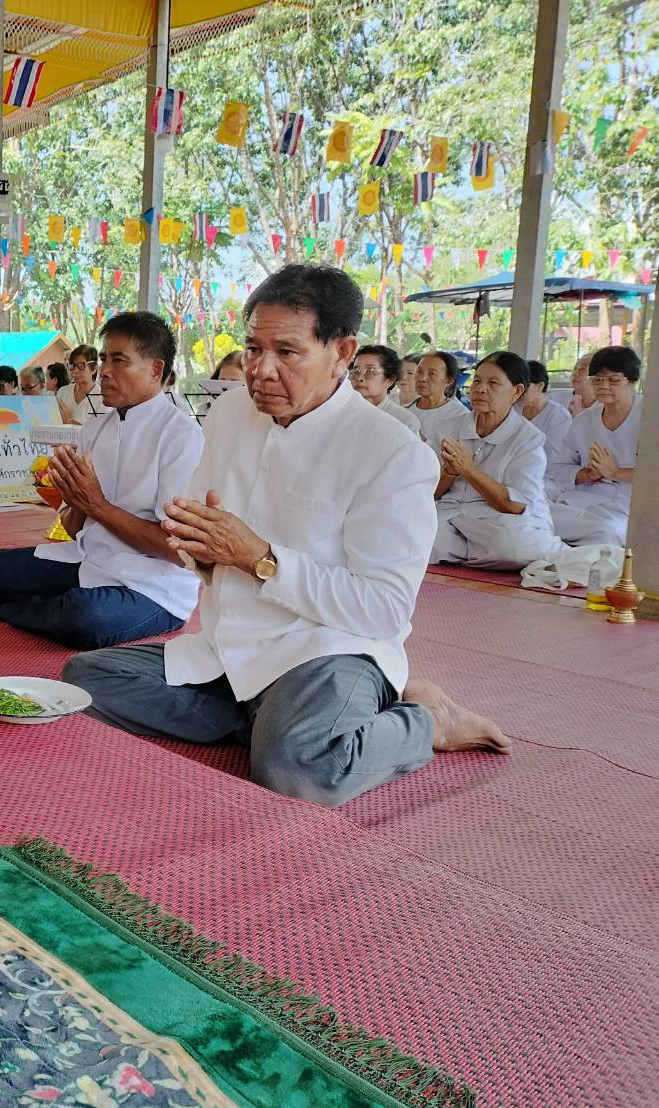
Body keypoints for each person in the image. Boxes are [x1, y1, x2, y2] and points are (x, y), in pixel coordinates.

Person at [63, 265, 508, 808]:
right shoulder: (229, 413)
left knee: (299, 770)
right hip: (231, 646)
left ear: (342, 353)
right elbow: (198, 537)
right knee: (84, 679)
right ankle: (270, 721)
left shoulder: (392, 452)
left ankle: (424, 720)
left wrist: (259, 558)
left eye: (287, 352)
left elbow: (384, 610)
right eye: (253, 349)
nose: (261, 371)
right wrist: (200, 549)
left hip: (327, 651)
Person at [0, 312, 203, 649]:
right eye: (104, 359)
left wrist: (97, 505)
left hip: (152, 584)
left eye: (119, 360)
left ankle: (9, 608)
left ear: (155, 369)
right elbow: (76, 531)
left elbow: (177, 551)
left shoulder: (182, 435)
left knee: (88, 617)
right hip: (87, 561)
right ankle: (42, 607)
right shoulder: (94, 429)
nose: (105, 371)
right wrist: (71, 499)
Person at [429, 351, 561, 569]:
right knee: (415, 536)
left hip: (499, 519)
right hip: (451, 514)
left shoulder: (528, 438)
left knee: (511, 546)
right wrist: (450, 473)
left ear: (516, 391)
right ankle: (473, 554)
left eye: (493, 383)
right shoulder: (448, 427)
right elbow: (429, 492)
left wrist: (469, 469)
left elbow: (515, 505)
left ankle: (464, 553)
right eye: (477, 381)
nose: (481, 389)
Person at [549, 345, 643, 547]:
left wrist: (615, 473)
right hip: (583, 498)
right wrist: (587, 474)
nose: (604, 386)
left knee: (606, 531)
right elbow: (560, 467)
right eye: (597, 380)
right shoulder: (584, 421)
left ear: (632, 381)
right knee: (538, 518)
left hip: (629, 505)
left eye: (614, 380)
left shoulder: (649, 416)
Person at [520, 359, 573, 494]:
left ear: (540, 386)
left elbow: (552, 458)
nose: (518, 391)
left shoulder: (558, 416)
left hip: (547, 478)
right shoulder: (513, 409)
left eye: (525, 386)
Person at [350, 345, 422, 435]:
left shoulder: (404, 421)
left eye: (370, 371)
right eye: (356, 371)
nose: (359, 378)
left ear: (389, 380)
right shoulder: (344, 412)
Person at [407, 350, 467, 449]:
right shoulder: (406, 410)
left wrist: (421, 439)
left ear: (448, 381)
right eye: (419, 371)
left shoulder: (460, 416)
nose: (422, 378)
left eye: (432, 373)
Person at [57, 345, 108, 424]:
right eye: (72, 366)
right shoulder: (62, 392)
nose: (75, 370)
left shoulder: (102, 398)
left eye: (80, 366)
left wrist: (69, 421)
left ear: (94, 368)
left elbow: (100, 430)